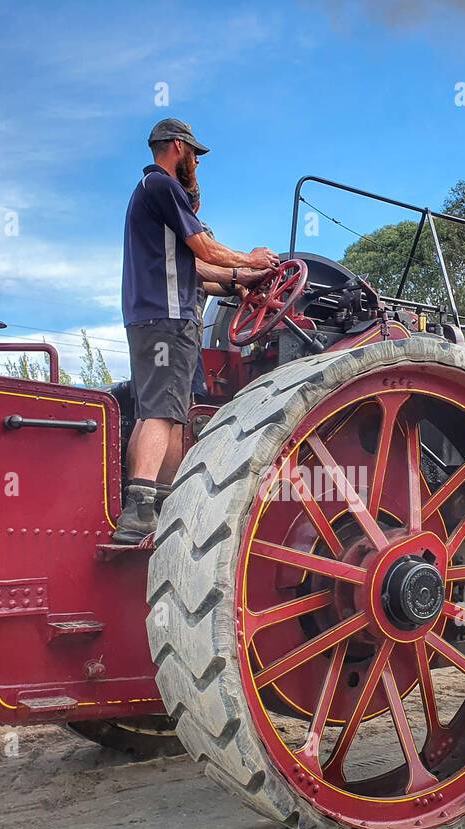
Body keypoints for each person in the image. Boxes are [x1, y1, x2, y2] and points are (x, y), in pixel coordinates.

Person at [114, 117, 279, 543]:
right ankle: (140, 511)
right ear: (176, 147)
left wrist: (238, 278)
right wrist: (254, 260)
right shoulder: (163, 186)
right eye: (195, 155)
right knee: (162, 412)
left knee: (161, 409)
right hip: (169, 319)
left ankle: (158, 505)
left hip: (153, 317)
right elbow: (204, 249)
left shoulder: (148, 194)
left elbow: (196, 269)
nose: (197, 165)